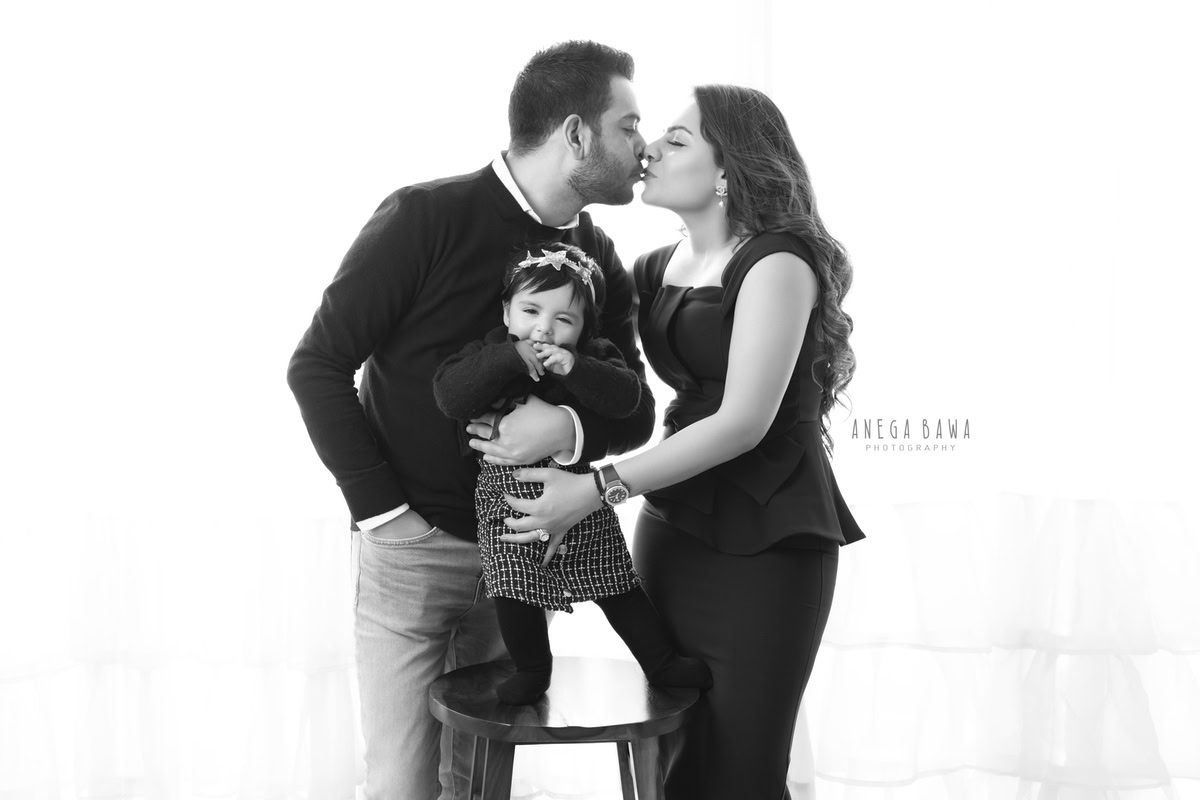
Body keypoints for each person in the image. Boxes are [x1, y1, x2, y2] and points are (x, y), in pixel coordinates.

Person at [286, 41, 655, 800]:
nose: (642, 147)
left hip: (522, 550)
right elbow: (316, 365)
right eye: (628, 126)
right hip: (410, 552)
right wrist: (386, 515)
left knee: (480, 784)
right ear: (576, 135)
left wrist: (566, 432)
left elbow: (636, 410)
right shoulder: (424, 217)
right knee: (402, 785)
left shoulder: (597, 255)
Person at [497, 85, 866, 799]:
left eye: (676, 139)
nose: (650, 151)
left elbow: (743, 421)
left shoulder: (778, 261)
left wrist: (597, 488)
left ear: (727, 167)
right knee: (672, 758)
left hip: (770, 538)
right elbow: (613, 388)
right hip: (673, 528)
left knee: (740, 769)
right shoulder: (649, 270)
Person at [432, 243, 711, 705]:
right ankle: (532, 670)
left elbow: (626, 400)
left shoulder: (593, 355)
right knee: (513, 585)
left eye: (564, 319)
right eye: (530, 311)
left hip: (579, 492)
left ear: (585, 328)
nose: (544, 328)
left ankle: (661, 662)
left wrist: (577, 368)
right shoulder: (487, 351)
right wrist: (509, 357)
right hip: (507, 496)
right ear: (506, 312)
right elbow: (449, 396)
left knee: (615, 579)